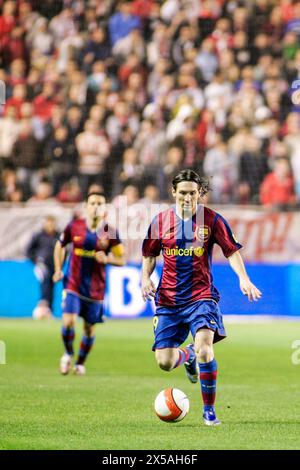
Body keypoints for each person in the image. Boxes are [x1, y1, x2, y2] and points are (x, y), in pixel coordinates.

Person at [141, 169, 262, 426]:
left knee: (206, 348)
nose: (188, 198)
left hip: (201, 296)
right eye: (183, 193)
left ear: (200, 193)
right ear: (173, 192)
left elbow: (231, 252)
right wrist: (144, 279)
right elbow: (149, 255)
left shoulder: (213, 220)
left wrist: (243, 278)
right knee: (165, 362)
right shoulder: (160, 222)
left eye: (193, 193)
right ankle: (189, 356)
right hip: (169, 300)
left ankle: (209, 412)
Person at [53, 191, 126, 375]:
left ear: (104, 209)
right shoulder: (74, 226)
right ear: (86, 206)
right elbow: (60, 245)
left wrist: (107, 259)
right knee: (68, 321)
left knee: (88, 329)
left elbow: (122, 259)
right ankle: (68, 354)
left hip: (96, 289)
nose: (95, 207)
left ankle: (80, 363)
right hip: (73, 284)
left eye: (99, 204)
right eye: (92, 203)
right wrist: (58, 269)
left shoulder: (109, 232)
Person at [27, 215, 59, 319]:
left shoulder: (58, 236)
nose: (50, 225)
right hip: (41, 264)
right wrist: (36, 261)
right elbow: (29, 250)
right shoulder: (39, 235)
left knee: (52, 286)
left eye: (52, 222)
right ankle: (42, 307)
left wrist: (60, 264)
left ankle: (49, 309)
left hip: (54, 265)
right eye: (48, 222)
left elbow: (64, 250)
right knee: (45, 282)